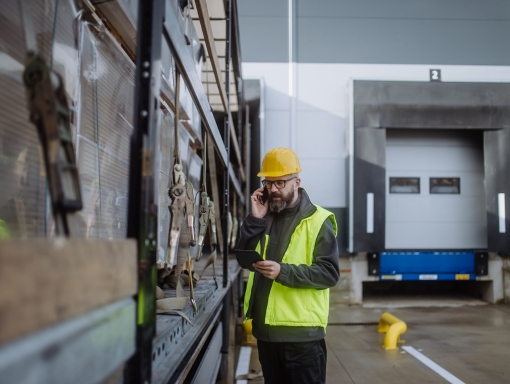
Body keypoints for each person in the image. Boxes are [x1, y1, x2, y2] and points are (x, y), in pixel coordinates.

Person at [237, 147, 340, 384]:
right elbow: (243, 256)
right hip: (265, 333)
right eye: (268, 183)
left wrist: (283, 272)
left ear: (297, 182)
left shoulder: (318, 220)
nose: (273, 189)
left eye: (280, 183)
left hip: (301, 337)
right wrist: (254, 219)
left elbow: (329, 273)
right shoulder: (263, 217)